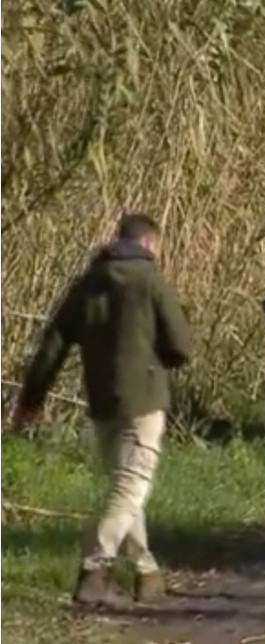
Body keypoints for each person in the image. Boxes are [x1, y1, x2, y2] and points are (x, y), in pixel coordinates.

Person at [12, 213, 193, 607]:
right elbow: (181, 346)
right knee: (130, 485)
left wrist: (30, 400)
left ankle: (147, 573)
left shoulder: (87, 284)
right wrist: (155, 358)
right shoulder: (148, 280)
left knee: (122, 485)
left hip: (101, 399)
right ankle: (94, 571)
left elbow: (53, 345)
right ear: (149, 243)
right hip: (143, 400)